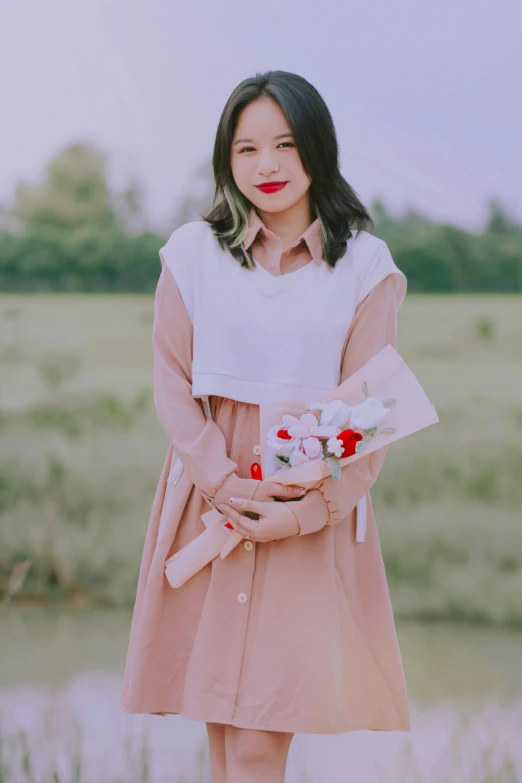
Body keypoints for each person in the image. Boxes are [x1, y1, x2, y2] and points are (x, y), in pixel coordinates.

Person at [121, 70, 410, 783]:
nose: (268, 166)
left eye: (285, 144)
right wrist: (219, 481)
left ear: (318, 147)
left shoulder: (364, 264)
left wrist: (305, 512)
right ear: (227, 159)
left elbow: (373, 407)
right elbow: (171, 380)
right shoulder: (192, 252)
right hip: (208, 501)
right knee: (224, 732)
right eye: (246, 149)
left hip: (303, 519)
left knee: (257, 743)